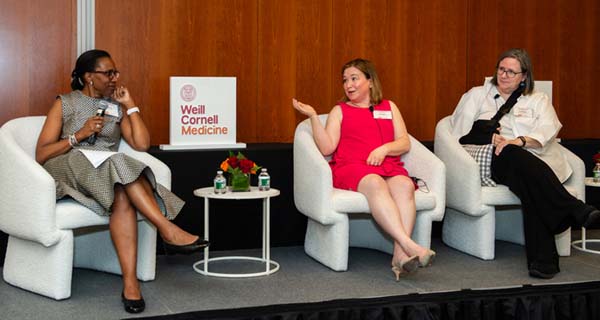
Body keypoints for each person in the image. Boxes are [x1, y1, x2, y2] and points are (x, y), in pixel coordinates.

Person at [35, 49, 209, 313]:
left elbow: (141, 143)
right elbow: (42, 153)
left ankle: (130, 284)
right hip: (68, 164)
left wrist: (131, 105)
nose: (115, 78)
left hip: (107, 173)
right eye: (108, 73)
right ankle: (167, 228)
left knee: (121, 195)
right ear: (89, 77)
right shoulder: (65, 103)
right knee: (116, 162)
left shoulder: (116, 108)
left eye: (116, 72)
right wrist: (78, 135)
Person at [450, 48, 600, 279]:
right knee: (513, 156)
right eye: (501, 69)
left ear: (524, 76)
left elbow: (548, 130)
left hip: (534, 158)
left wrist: (519, 141)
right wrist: (488, 137)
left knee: (532, 186)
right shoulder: (477, 95)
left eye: (511, 71)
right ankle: (572, 208)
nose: (504, 75)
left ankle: (543, 264)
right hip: (494, 158)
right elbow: (458, 131)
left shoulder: (538, 99)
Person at [292, 58, 436, 281]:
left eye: (354, 79)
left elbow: (404, 143)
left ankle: (399, 255)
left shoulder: (389, 106)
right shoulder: (339, 110)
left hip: (386, 164)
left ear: (370, 81)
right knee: (375, 183)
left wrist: (384, 149)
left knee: (405, 185)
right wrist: (313, 117)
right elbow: (327, 147)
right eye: (345, 80)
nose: (348, 85)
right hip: (352, 166)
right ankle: (408, 244)